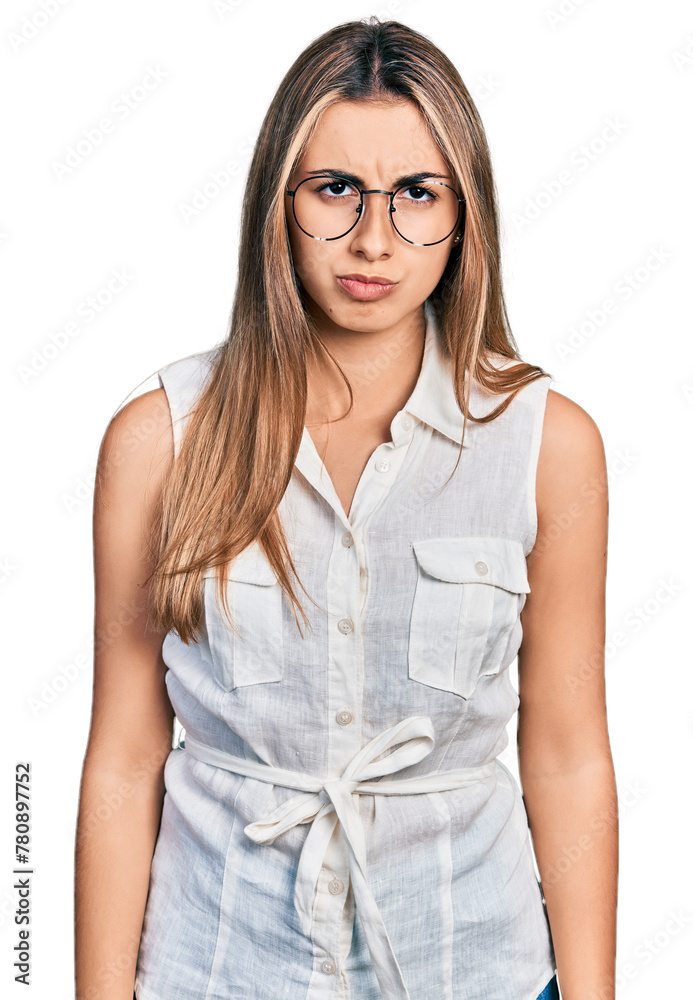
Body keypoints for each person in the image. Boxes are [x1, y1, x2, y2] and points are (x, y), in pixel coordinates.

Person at [74, 16, 617, 1000]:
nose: (374, 238)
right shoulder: (156, 442)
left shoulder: (548, 446)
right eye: (335, 190)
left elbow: (568, 750)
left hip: (472, 968)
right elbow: (123, 753)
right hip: (218, 969)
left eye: (417, 194)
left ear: (465, 214)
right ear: (277, 203)